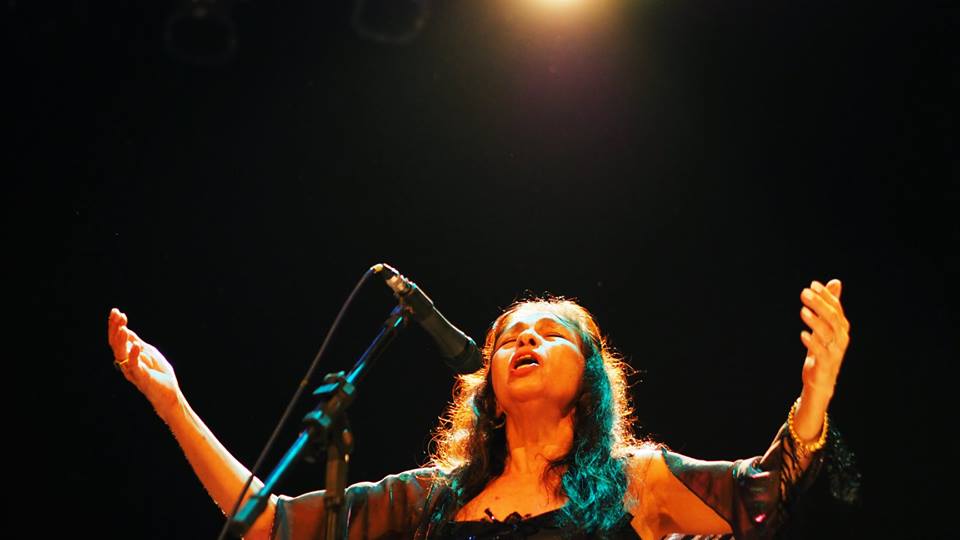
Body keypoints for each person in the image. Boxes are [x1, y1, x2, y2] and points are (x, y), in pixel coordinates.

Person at [108, 279, 855, 539]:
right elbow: (267, 523)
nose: (524, 340)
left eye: (550, 333)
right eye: (507, 338)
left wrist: (814, 395)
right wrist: (173, 405)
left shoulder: (641, 482)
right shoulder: (433, 499)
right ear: (486, 383)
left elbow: (765, 498)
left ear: (591, 376)